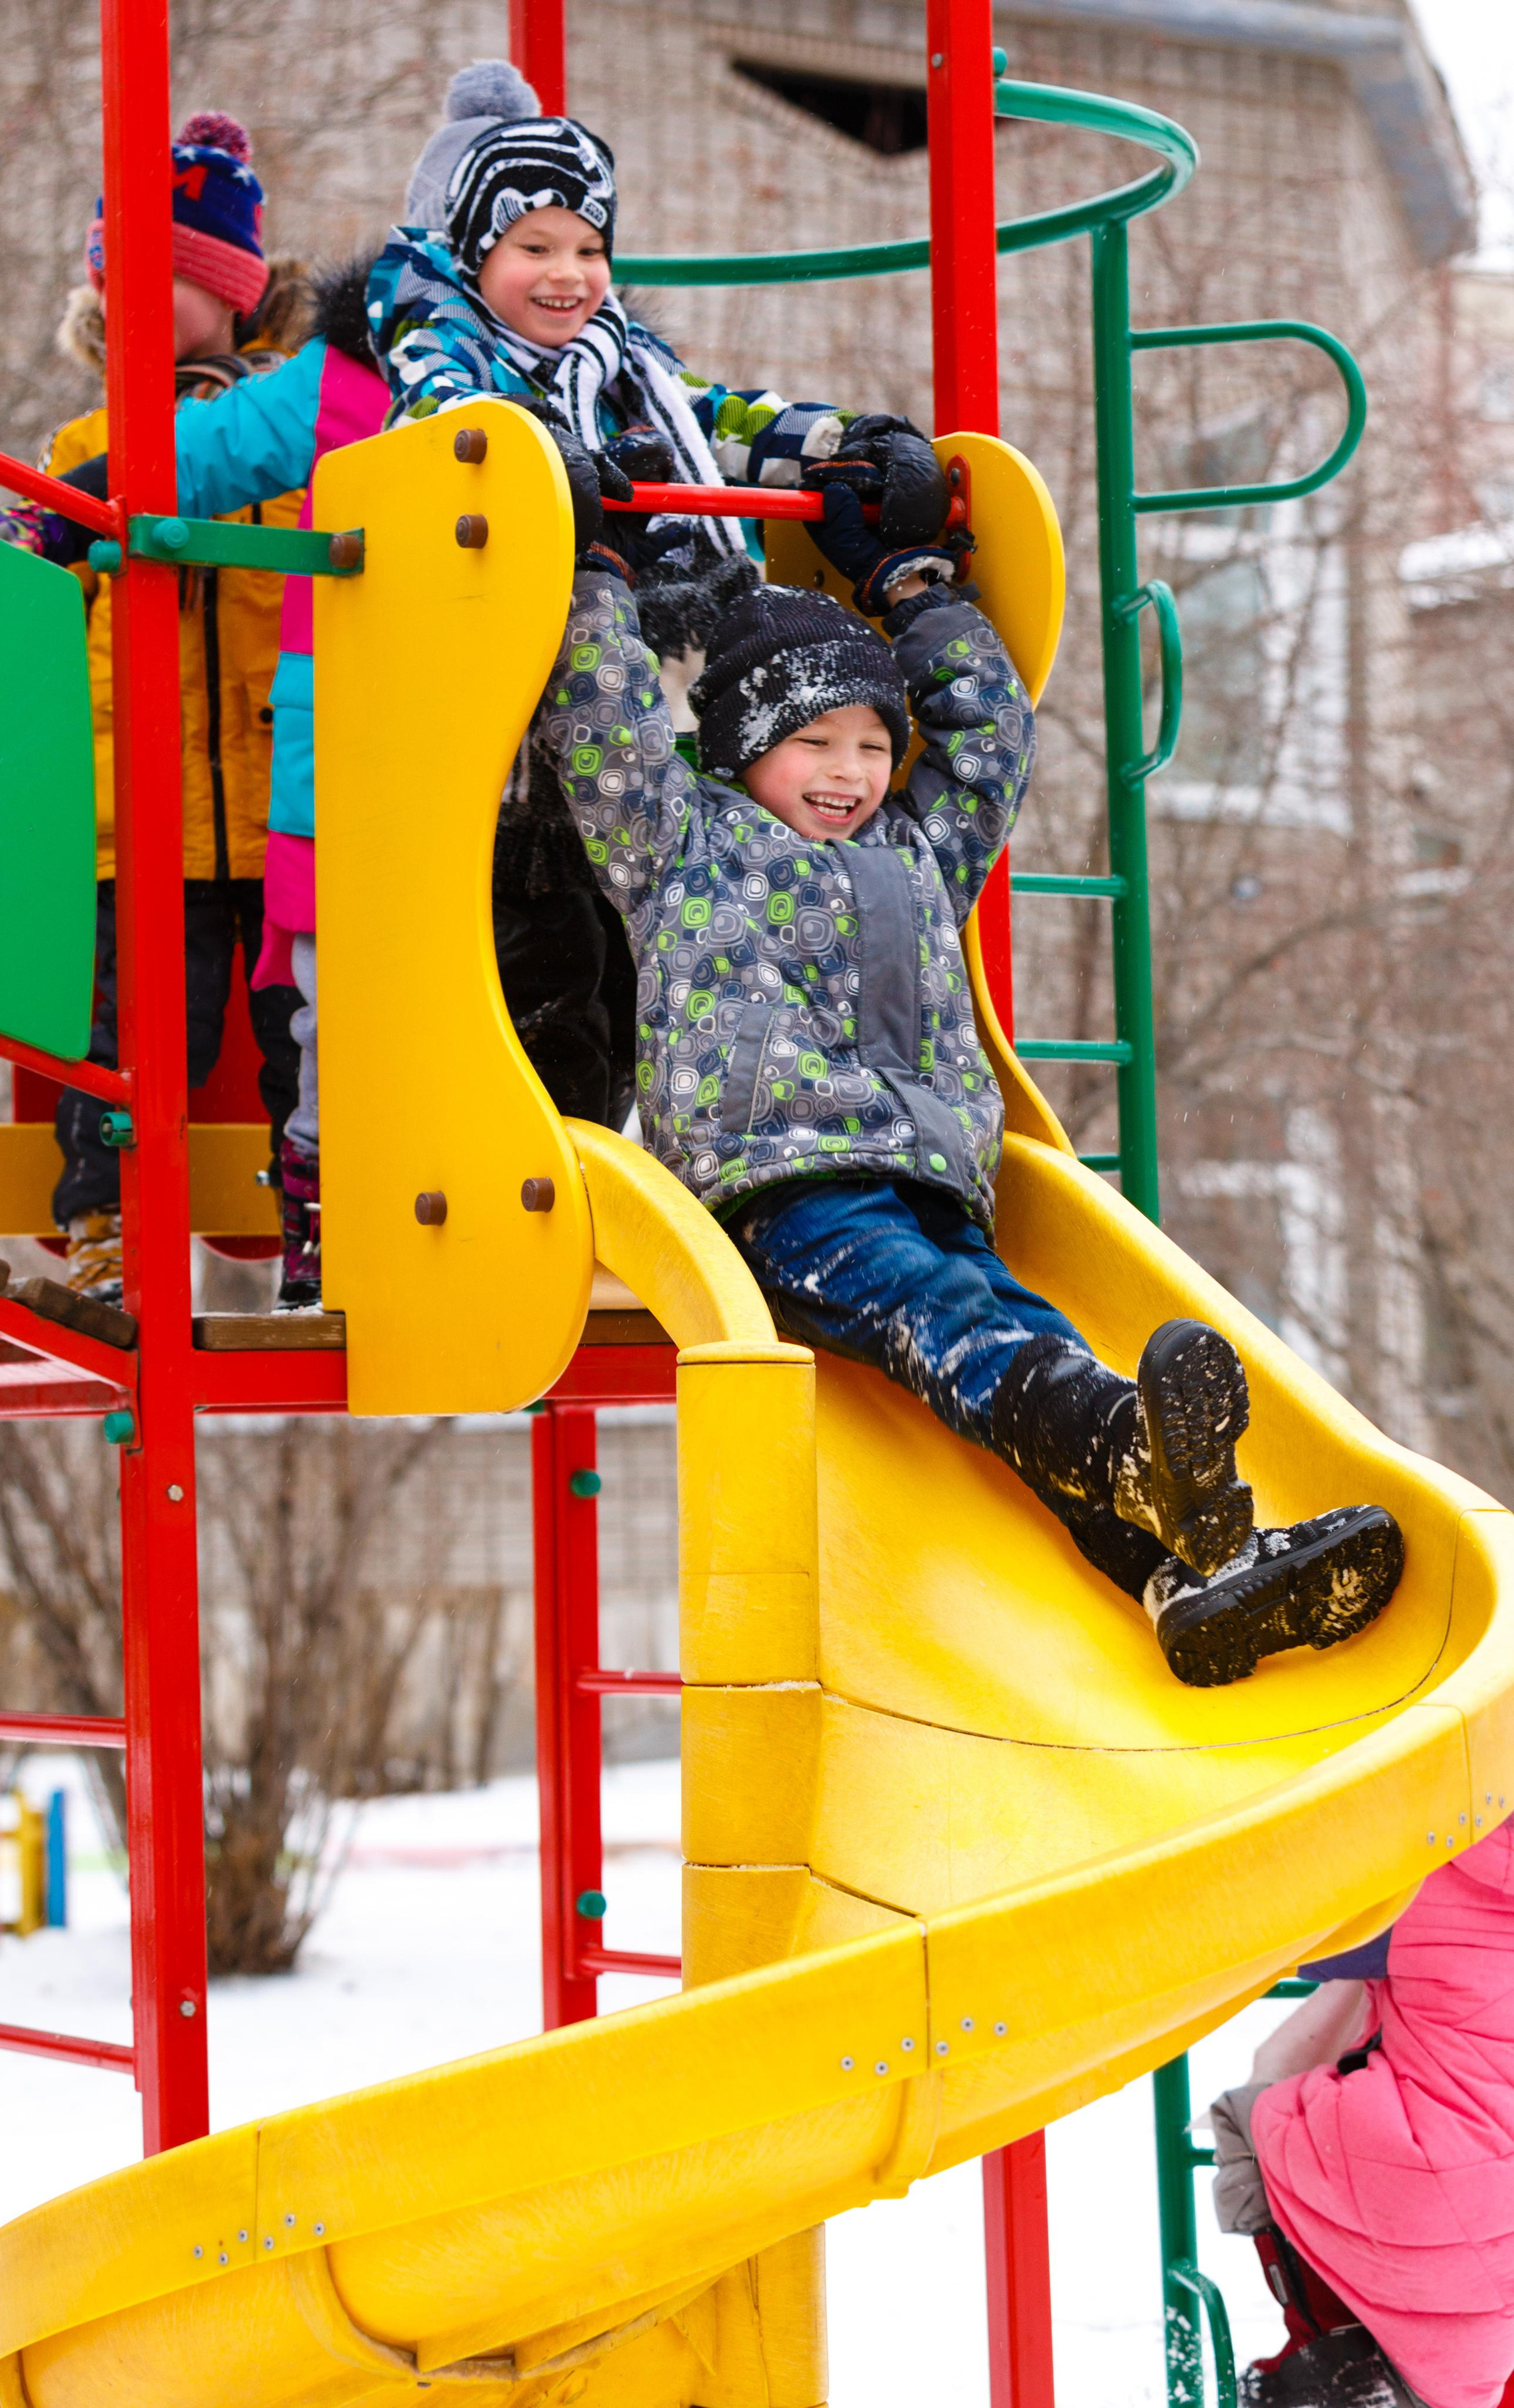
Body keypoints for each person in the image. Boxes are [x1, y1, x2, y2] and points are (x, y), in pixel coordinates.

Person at [524, 460, 1405, 1686]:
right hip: (784, 1192)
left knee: (1018, 1328)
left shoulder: (919, 847)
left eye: (874, 742)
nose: (848, 771)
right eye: (812, 743)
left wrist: (914, 586)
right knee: (958, 1333)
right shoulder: (684, 841)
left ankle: (1197, 1577)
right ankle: (1141, 1461)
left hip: (935, 1178)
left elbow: (992, 733)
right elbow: (606, 728)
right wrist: (593, 578)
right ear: (740, 748)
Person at [365, 63, 952, 1139]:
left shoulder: (625, 368)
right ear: (470, 253)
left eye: (589, 249)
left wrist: (842, 445)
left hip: (648, 731)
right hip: (516, 748)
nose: (568, 275)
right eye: (532, 247)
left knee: (650, 960)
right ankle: (549, 1163)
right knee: (550, 962)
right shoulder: (441, 348)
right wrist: (533, 453)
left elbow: (728, 417)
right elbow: (449, 420)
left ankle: (666, 1158)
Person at [0, 113, 311, 1307]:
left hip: (282, 809)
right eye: (124, 280)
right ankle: (108, 1230)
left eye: (177, 275)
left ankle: (326, 1230)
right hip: (141, 814)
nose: (146, 300)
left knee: (299, 1036)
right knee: (125, 1046)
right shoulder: (86, 450)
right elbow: (33, 597)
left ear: (238, 298)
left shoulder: (289, 443)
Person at [1211, 1819, 1514, 2408]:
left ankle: (1320, 2333)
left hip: (1424, 2172)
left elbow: (1291, 1944)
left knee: (1253, 2114)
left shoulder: (1428, 1857)